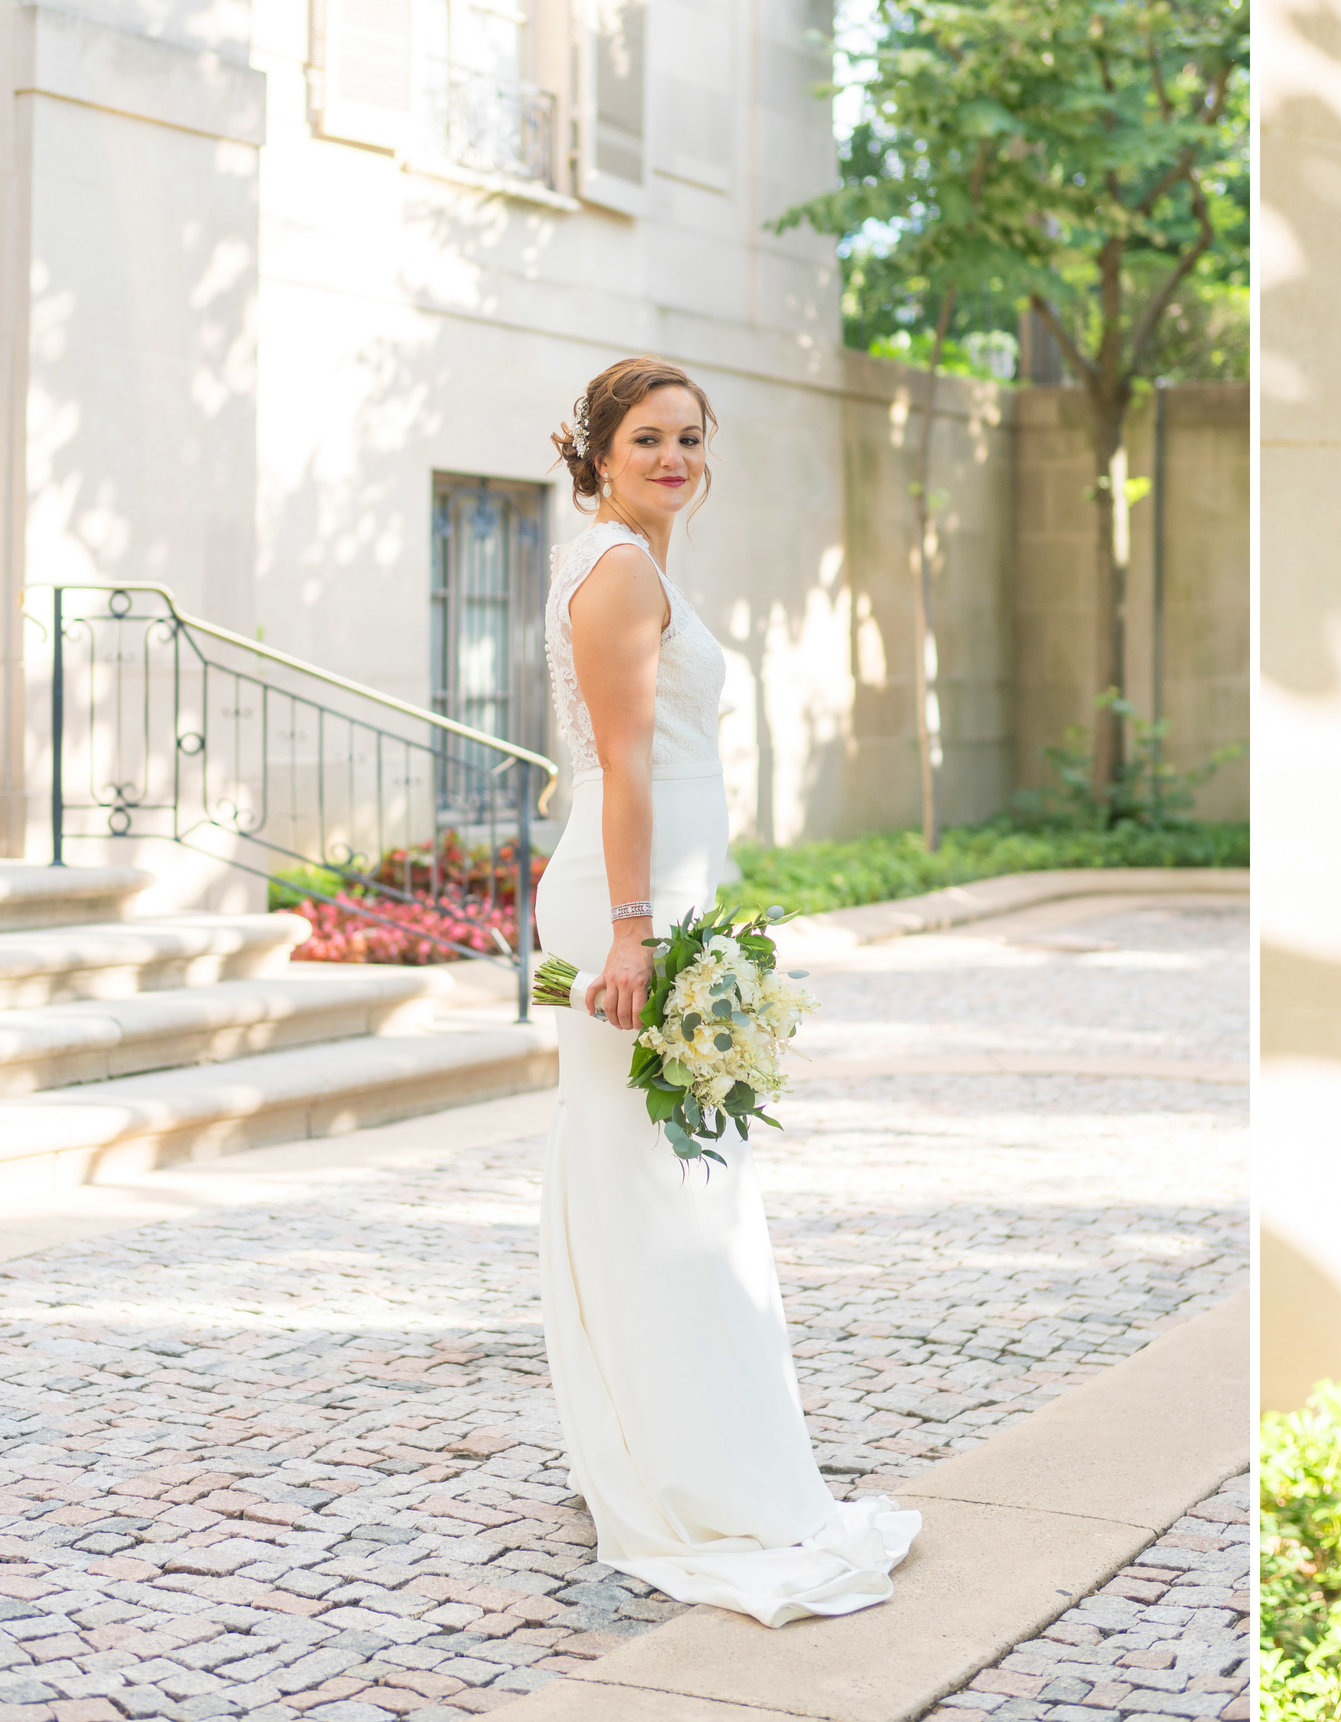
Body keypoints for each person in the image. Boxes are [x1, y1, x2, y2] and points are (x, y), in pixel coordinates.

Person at [534, 356, 918, 1626]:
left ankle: (683, 1440)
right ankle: (679, 1467)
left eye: (692, 438)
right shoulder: (619, 570)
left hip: (670, 899)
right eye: (649, 438)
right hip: (634, 912)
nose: (675, 459)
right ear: (596, 451)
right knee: (666, 1188)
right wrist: (635, 937)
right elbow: (626, 763)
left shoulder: (639, 564)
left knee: (685, 1183)